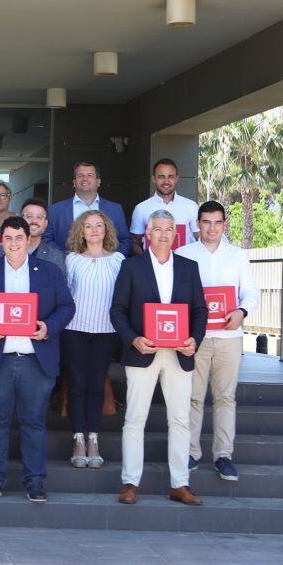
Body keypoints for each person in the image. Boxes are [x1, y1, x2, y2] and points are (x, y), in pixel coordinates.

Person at [0, 216, 75, 503]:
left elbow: (66, 306)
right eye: (8, 238)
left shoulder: (48, 271)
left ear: (28, 239)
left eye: (18, 238)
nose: (13, 244)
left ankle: (35, 482)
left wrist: (48, 327)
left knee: (34, 422)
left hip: (35, 360)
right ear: (2, 241)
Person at [111, 210, 207, 506]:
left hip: (180, 354)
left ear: (175, 234)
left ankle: (180, 484)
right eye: (158, 229)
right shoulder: (131, 267)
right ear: (147, 234)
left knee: (180, 420)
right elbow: (117, 311)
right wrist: (134, 339)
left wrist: (195, 339)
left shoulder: (190, 267)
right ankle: (130, 483)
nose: (164, 234)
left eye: (169, 229)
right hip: (143, 353)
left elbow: (200, 310)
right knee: (134, 419)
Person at [177, 201, 259, 480]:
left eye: (217, 222)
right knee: (193, 397)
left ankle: (223, 455)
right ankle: (190, 453)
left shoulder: (237, 256)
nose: (212, 228)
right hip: (195, 338)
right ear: (198, 224)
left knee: (225, 397)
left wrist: (241, 311)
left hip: (228, 338)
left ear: (225, 224)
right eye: (206, 222)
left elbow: (251, 293)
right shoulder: (183, 254)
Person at [63, 211, 125, 468]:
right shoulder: (72, 260)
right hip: (74, 329)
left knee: (97, 385)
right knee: (77, 385)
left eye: (99, 225)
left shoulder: (119, 260)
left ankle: (94, 439)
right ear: (81, 231)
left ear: (106, 229)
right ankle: (78, 438)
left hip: (106, 331)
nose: (94, 230)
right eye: (88, 226)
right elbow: (65, 295)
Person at [44, 161, 131, 254]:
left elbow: (125, 241)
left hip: (106, 266)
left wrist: (112, 259)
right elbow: (46, 239)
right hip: (66, 266)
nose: (85, 178)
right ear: (74, 182)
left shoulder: (115, 209)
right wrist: (65, 258)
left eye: (90, 175)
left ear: (98, 182)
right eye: (80, 175)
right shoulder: (55, 210)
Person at [130, 158, 199, 254]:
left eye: (170, 176)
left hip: (183, 266)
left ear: (176, 178)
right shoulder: (141, 209)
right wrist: (146, 265)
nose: (166, 181)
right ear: (153, 178)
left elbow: (200, 240)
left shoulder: (191, 207)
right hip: (151, 267)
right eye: (161, 177)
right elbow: (134, 243)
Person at [0, 198, 67, 278]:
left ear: (46, 223)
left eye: (39, 217)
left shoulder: (55, 256)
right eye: (29, 216)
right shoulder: (4, 250)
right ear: (20, 220)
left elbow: (60, 288)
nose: (34, 221)